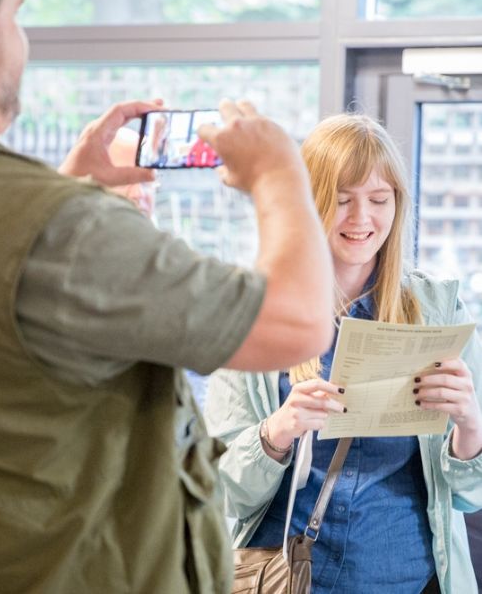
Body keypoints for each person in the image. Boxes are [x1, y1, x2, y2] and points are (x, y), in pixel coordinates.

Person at [0, 0, 335, 593]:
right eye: (14, 16)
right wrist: (279, 173)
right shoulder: (65, 230)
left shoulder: (28, 223)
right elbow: (296, 322)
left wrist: (61, 195)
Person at [205, 114, 482, 594]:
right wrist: (279, 431)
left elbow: (466, 495)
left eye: (379, 199)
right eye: (341, 200)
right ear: (309, 204)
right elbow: (221, 490)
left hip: (405, 577)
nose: (361, 219)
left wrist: (470, 424)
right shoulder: (256, 313)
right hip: (284, 577)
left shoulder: (436, 310)